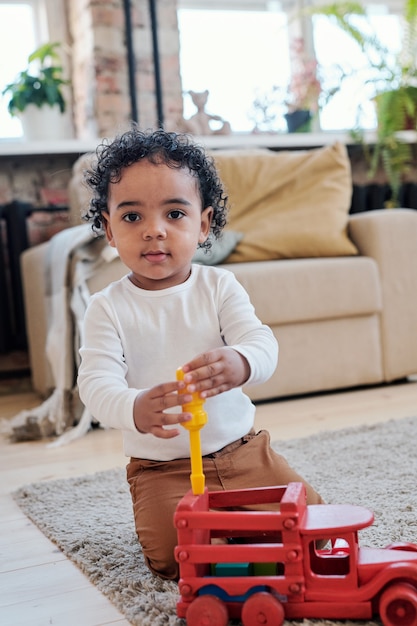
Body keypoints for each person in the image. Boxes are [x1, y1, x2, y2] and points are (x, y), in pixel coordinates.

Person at [78, 127, 324, 581]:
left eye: (174, 213)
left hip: (243, 453)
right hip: (161, 468)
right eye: (132, 218)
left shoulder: (219, 287)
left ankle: (238, 530)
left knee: (314, 524)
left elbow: (261, 342)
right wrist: (134, 406)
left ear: (203, 225)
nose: (155, 230)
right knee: (174, 557)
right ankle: (235, 534)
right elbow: (95, 385)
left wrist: (242, 361)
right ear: (110, 231)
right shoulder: (106, 307)